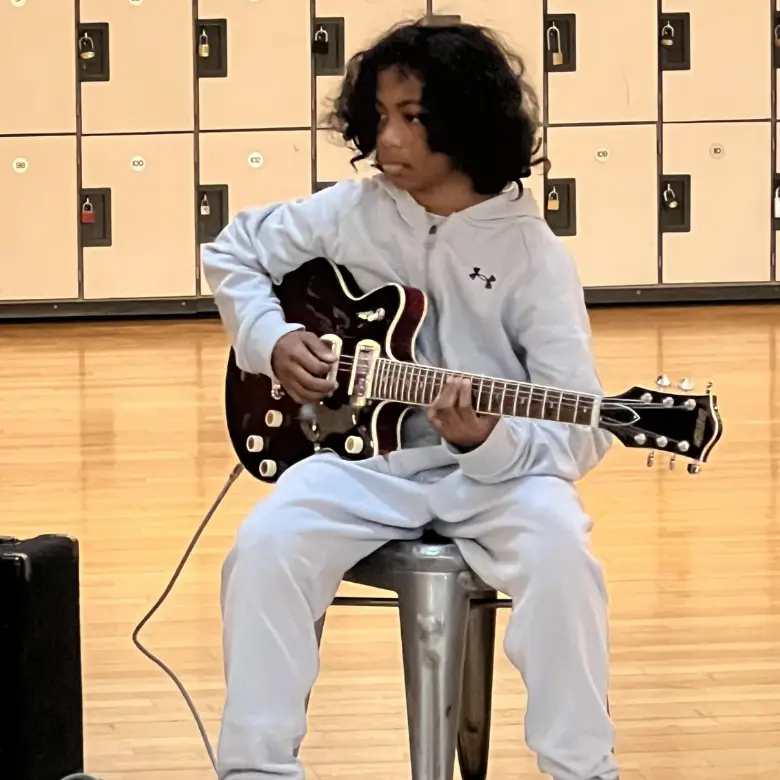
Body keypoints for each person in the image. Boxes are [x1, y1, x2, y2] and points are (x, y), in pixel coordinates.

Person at [202, 17, 618, 780]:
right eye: (380, 116)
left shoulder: (532, 255)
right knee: (265, 548)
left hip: (499, 480)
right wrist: (270, 340)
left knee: (564, 558)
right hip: (362, 464)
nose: (386, 140)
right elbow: (234, 250)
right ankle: (255, 769)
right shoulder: (354, 212)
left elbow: (583, 428)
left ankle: (583, 770)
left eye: (412, 118)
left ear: (465, 122)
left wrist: (487, 441)